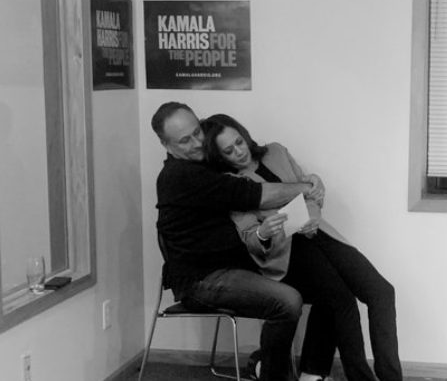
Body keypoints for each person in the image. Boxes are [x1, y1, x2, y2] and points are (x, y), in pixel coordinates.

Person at [202, 113, 403, 381]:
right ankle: (357, 377)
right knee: (340, 298)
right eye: (228, 151)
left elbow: (311, 194)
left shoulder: (276, 152)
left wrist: (311, 217)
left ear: (244, 134)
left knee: (381, 291)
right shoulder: (231, 183)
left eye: (239, 142)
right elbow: (250, 237)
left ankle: (390, 377)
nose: (239, 151)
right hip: (287, 252)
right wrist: (263, 232)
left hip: (318, 233)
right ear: (219, 156)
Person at [151, 101, 325, 381]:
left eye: (197, 132)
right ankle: (272, 374)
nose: (197, 143)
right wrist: (308, 187)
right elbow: (256, 195)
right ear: (166, 145)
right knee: (288, 301)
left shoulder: (205, 163)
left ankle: (294, 369)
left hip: (242, 265)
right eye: (185, 140)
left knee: (328, 287)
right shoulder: (180, 176)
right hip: (203, 280)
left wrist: (309, 183)